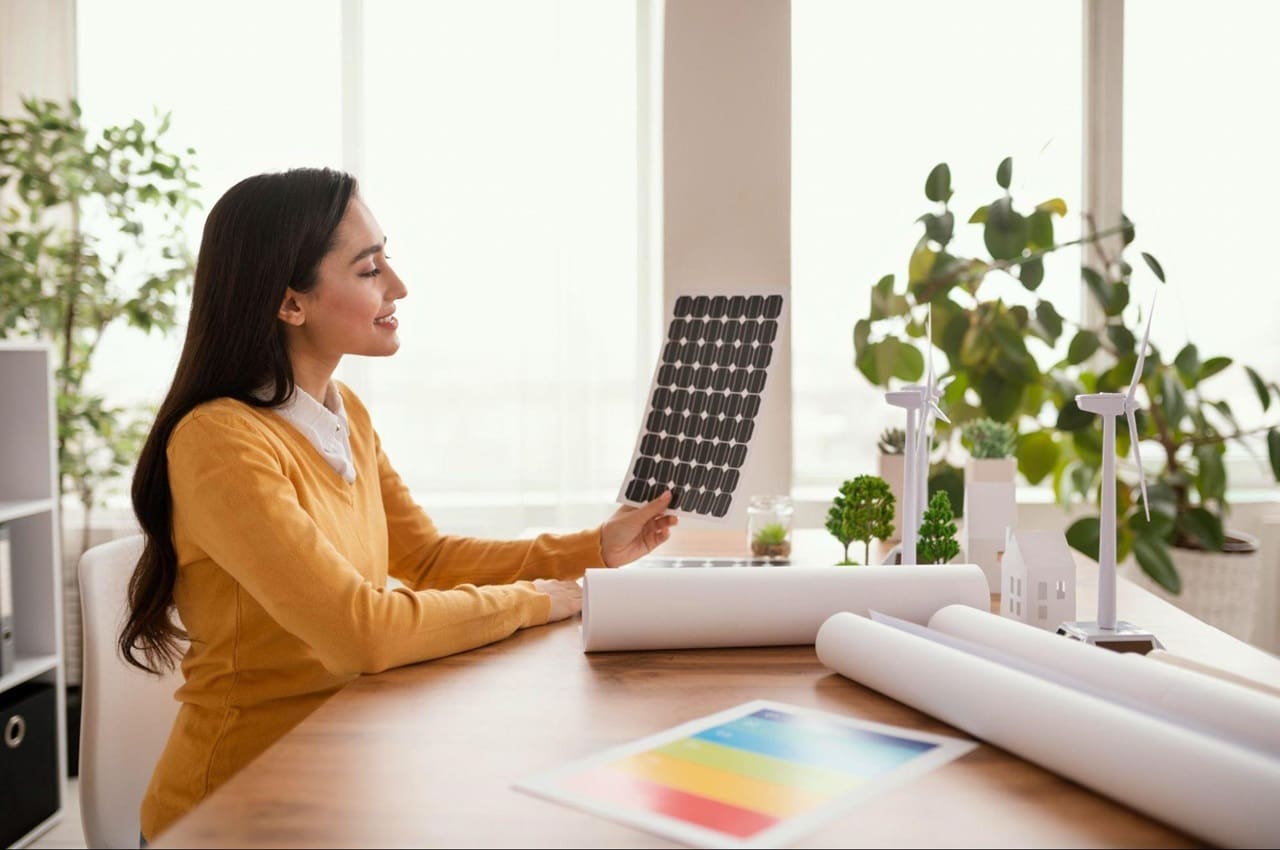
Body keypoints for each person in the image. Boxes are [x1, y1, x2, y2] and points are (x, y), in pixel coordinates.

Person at [119, 167, 676, 842]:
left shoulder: (342, 412)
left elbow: (425, 558)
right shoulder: (219, 442)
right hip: (235, 811)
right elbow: (361, 632)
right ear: (290, 302)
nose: (398, 287)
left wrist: (594, 549)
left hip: (339, 770)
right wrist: (537, 599)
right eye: (369, 269)